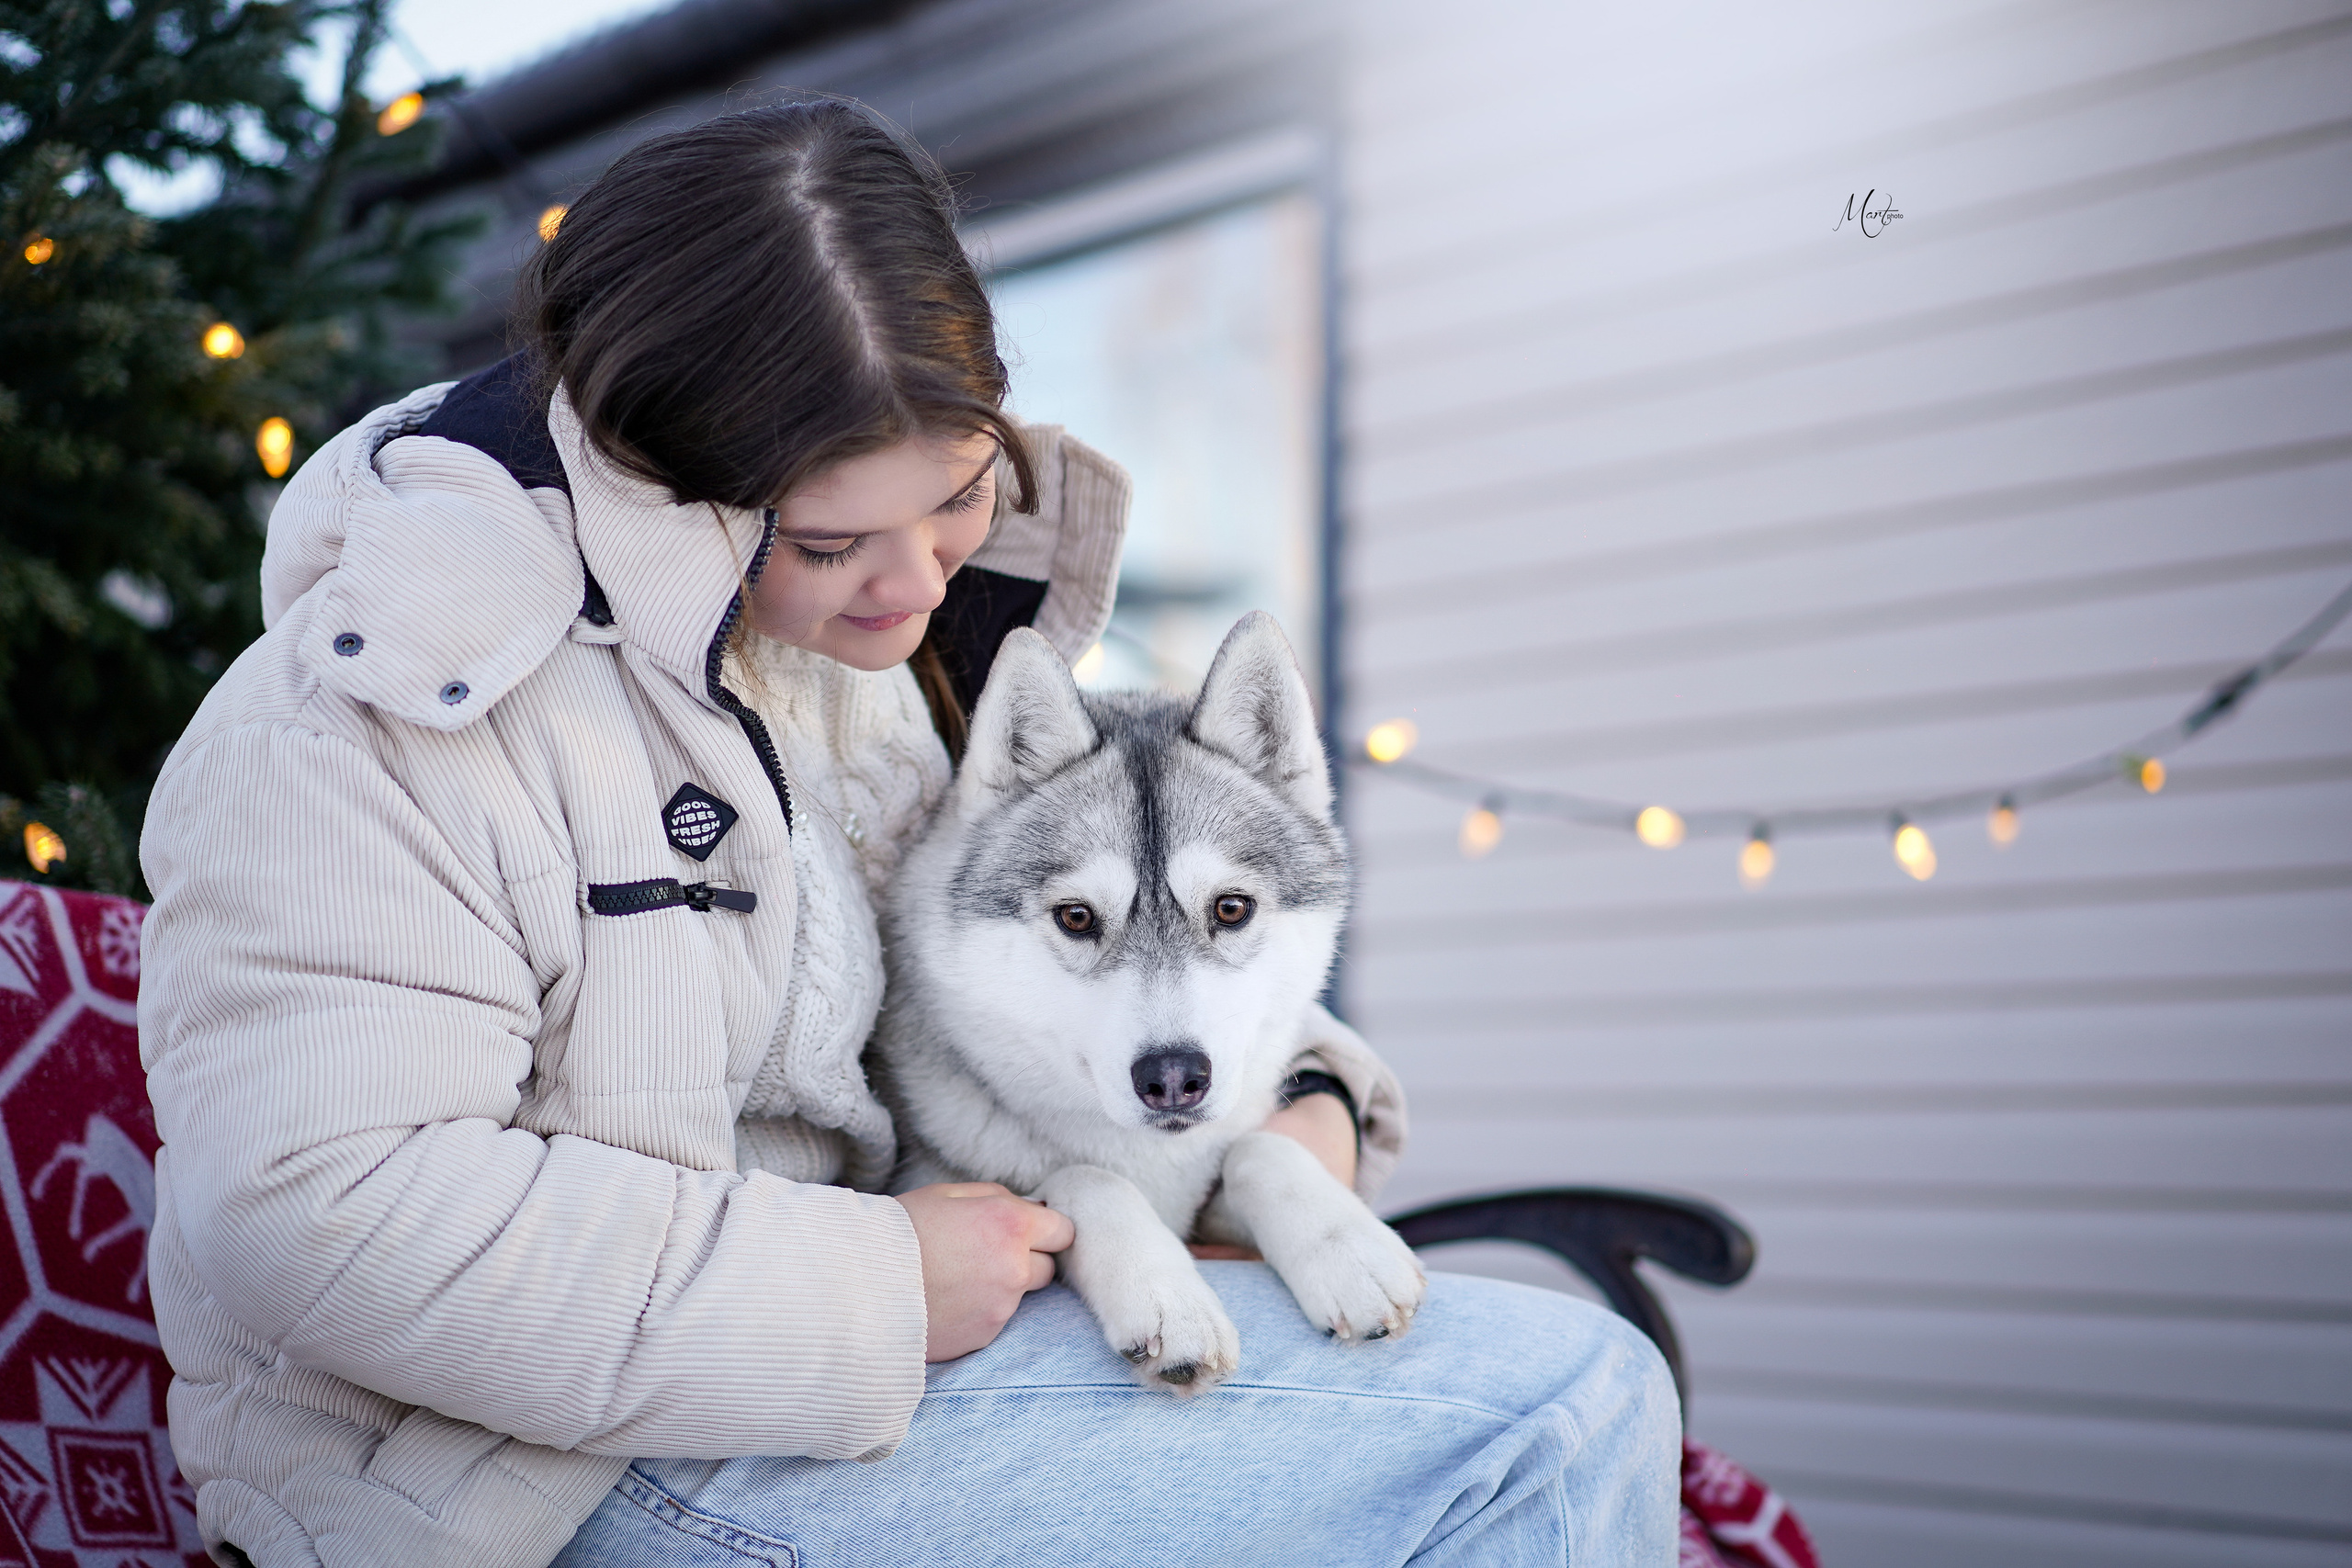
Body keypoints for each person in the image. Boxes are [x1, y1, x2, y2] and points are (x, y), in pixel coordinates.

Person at [138, 98, 1679, 1568]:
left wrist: (1304, 1098)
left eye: (955, 497)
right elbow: (319, 1219)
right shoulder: (370, 719)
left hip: (867, 1369)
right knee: (1547, 1418)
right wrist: (870, 1289)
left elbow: (1045, 948)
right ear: (669, 483)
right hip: (514, 1491)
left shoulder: (850, 661)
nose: (920, 583)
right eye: (828, 540)